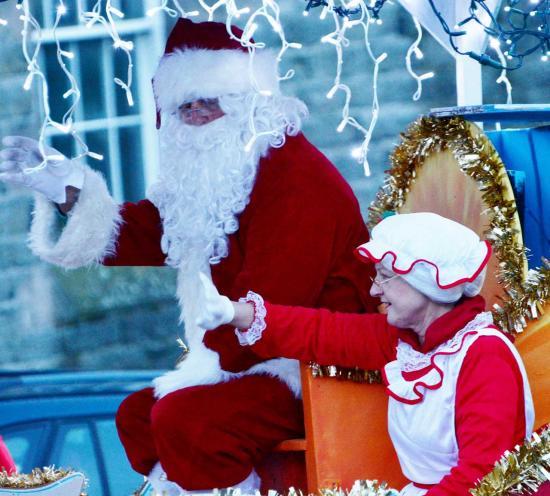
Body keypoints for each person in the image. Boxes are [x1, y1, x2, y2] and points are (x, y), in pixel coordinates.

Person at [0, 18, 377, 495]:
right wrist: (69, 191)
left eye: (209, 103)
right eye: (184, 107)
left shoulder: (296, 180)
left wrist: (198, 376)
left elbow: (273, 305)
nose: (196, 116)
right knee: (136, 417)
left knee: (187, 420)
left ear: (246, 104)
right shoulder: (220, 174)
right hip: (252, 355)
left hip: (318, 366)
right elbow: (156, 230)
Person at [197, 212, 535, 496]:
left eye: (385, 277)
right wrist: (235, 313)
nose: (374, 289)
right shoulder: (404, 341)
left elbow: (483, 475)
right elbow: (320, 333)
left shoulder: (484, 354)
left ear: (427, 283)